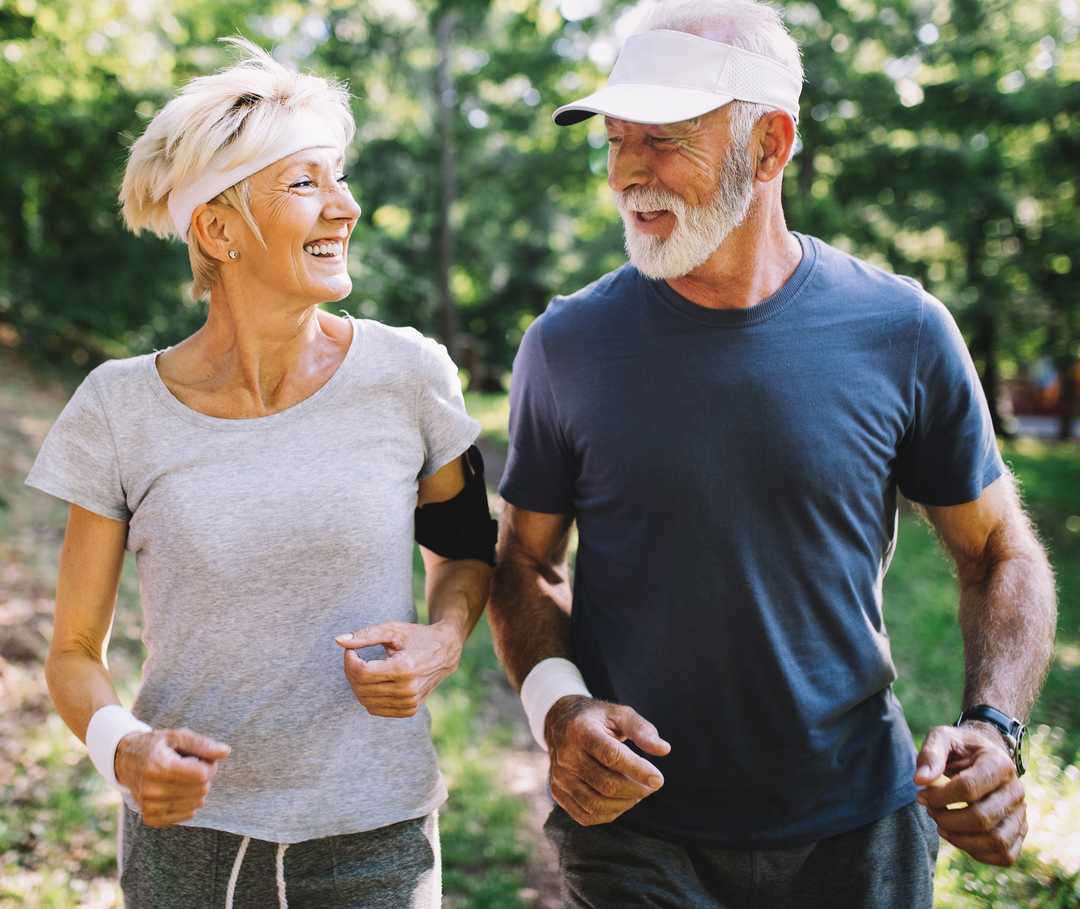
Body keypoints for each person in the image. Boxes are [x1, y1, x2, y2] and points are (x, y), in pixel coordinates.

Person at [487, 2, 1057, 907]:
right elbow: (523, 560)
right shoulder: (567, 345)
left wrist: (993, 728)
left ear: (769, 146)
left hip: (859, 827)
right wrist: (559, 707)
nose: (628, 171)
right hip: (636, 833)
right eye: (615, 141)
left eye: (665, 139)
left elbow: (999, 553)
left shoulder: (902, 331)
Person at [26, 38, 496, 909]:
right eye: (308, 183)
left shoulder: (410, 373)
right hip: (185, 849)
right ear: (217, 227)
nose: (347, 206)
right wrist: (121, 748)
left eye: (341, 177)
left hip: (375, 842)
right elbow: (72, 652)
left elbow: (468, 548)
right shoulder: (118, 407)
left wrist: (443, 639)